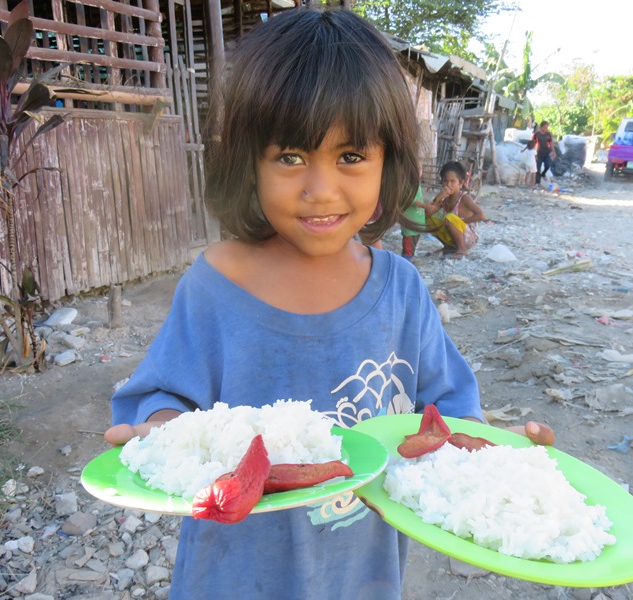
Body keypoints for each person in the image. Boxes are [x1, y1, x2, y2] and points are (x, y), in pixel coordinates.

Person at [104, 9, 552, 600]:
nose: (320, 188)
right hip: (237, 573)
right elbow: (162, 398)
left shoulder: (401, 289)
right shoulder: (214, 285)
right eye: (290, 157)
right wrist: (166, 435)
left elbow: (446, 413)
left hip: (360, 569)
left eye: (350, 156)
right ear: (249, 163)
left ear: (388, 161)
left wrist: (498, 454)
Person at [424, 161, 487, 258]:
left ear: (461, 183)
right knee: (428, 220)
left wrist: (460, 221)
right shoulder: (444, 199)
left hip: (467, 237)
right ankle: (449, 246)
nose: (448, 184)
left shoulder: (464, 198)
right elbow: (427, 214)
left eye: (452, 181)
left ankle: (462, 249)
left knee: (450, 217)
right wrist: (439, 197)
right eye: (445, 181)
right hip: (453, 236)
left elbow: (482, 215)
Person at [400, 165, 430, 260]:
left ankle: (406, 261)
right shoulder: (409, 185)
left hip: (416, 224)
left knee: (411, 247)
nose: (418, 172)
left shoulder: (416, 184)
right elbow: (414, 201)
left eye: (420, 169)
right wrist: (426, 206)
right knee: (408, 249)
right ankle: (405, 264)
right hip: (410, 225)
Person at [532, 120, 556, 185]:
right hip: (539, 153)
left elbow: (551, 143)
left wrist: (553, 151)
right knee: (538, 168)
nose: (546, 129)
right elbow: (533, 143)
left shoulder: (548, 134)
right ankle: (537, 182)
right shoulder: (537, 134)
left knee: (547, 165)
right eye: (545, 127)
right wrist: (533, 152)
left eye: (547, 127)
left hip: (546, 152)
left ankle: (543, 174)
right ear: (541, 127)